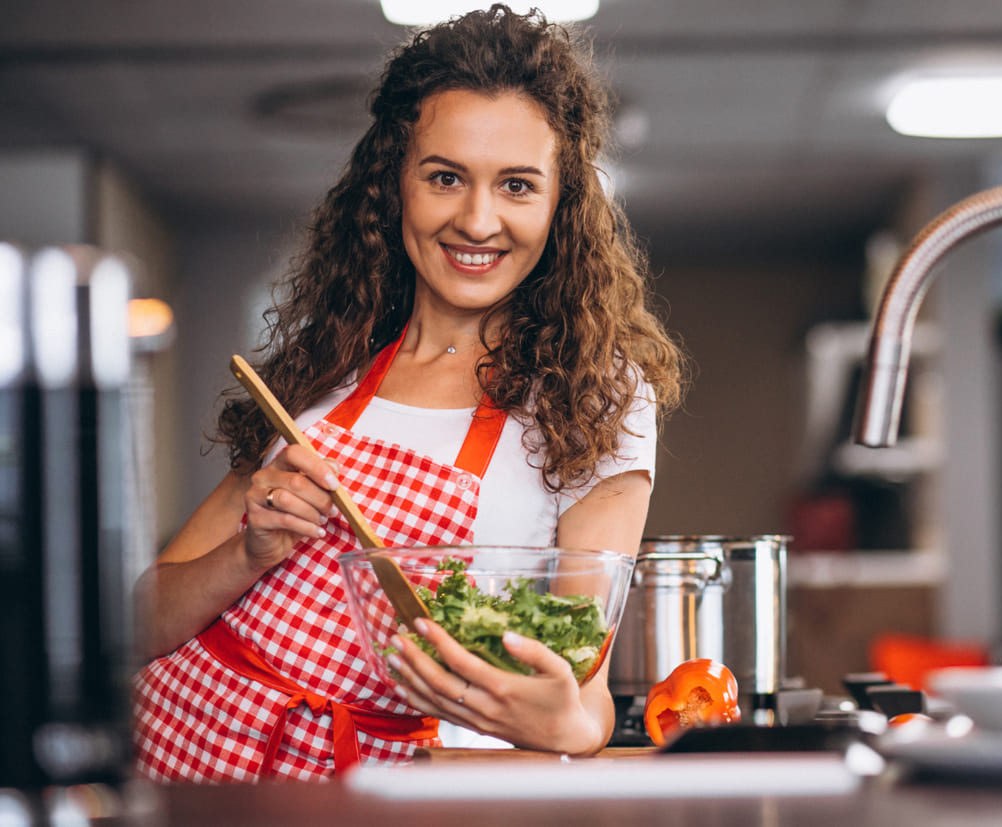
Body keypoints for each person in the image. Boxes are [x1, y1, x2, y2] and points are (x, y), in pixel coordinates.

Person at [131, 4, 685, 783]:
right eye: (445, 177)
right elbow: (138, 621)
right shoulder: (330, 361)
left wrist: (567, 722)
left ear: (561, 204)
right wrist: (248, 552)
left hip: (392, 787)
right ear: (395, 186)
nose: (478, 219)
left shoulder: (594, 398)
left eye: (518, 185)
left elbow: (582, 702)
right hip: (190, 754)